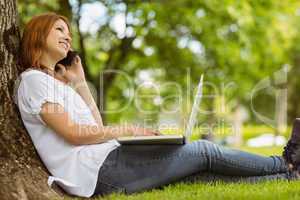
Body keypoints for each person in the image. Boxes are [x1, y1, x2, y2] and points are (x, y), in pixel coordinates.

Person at [14, 12, 300, 198]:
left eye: (69, 32)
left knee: (200, 175)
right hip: (99, 172)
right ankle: (285, 162)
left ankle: (288, 176)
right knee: (203, 151)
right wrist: (128, 130)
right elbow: (74, 134)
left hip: (108, 160)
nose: (67, 36)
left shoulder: (57, 84)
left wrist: (79, 83)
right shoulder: (33, 82)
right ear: (39, 34)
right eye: (60, 30)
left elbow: (94, 128)